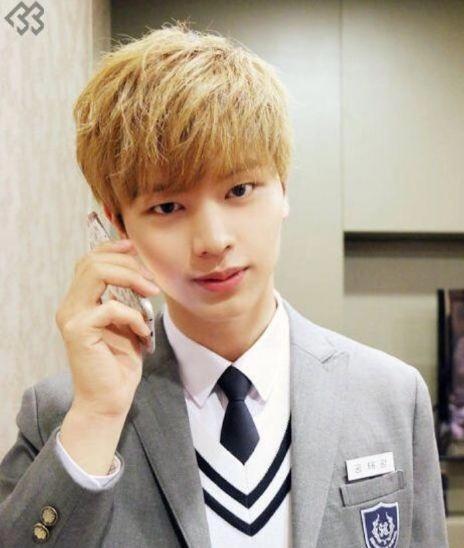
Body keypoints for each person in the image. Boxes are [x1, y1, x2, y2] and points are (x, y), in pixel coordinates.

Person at [0, 21, 448, 548]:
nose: (213, 240)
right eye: (168, 206)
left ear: (283, 188)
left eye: (239, 190)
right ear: (118, 224)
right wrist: (97, 417)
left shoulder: (390, 395)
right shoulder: (64, 413)